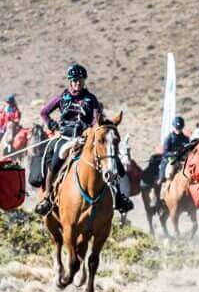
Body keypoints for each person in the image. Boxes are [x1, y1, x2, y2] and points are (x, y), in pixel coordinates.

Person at [35, 63, 133, 215]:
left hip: (85, 138)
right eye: (74, 80)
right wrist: (52, 125)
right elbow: (44, 112)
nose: (77, 83)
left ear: (84, 80)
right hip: (65, 138)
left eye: (80, 80)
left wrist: (93, 129)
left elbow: (96, 119)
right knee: (55, 161)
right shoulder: (62, 97)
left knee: (112, 160)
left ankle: (119, 196)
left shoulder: (90, 99)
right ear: (70, 81)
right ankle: (48, 197)